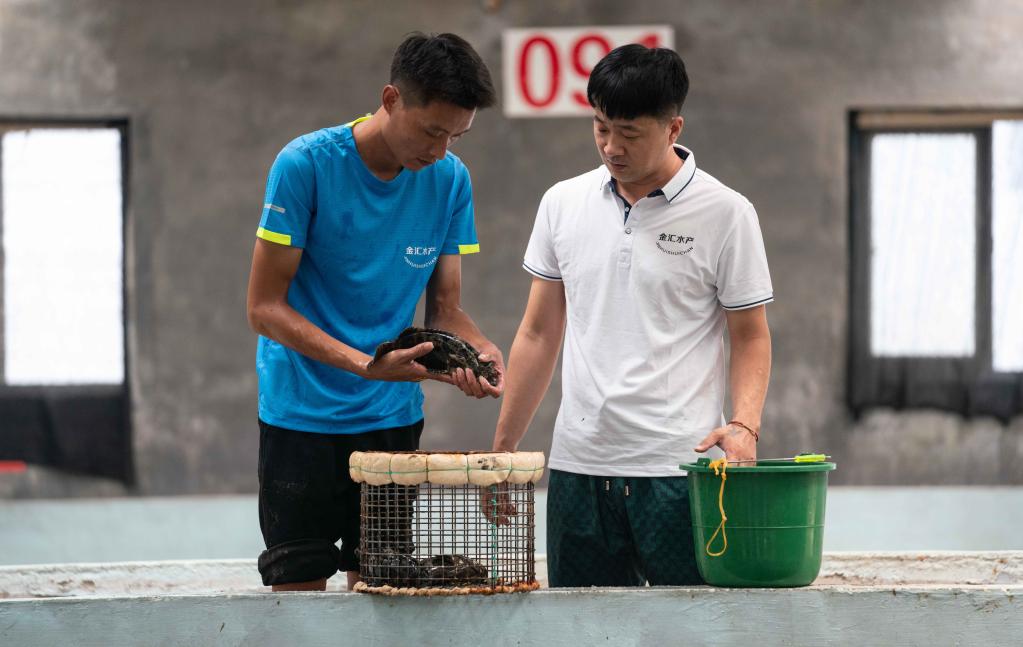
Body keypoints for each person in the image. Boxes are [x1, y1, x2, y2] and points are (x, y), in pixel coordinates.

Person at [488, 44, 773, 587]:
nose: (611, 147)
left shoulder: (727, 213)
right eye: (599, 128)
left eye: (629, 133)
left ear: (673, 127)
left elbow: (751, 335)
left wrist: (744, 427)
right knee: (580, 631)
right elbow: (539, 332)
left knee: (686, 628)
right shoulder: (561, 203)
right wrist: (503, 452)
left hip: (677, 470)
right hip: (579, 467)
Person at [246, 32, 503, 592]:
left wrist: (479, 349)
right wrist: (366, 364)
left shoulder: (450, 180)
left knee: (382, 589)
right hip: (301, 420)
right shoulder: (306, 165)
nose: (439, 151)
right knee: (299, 598)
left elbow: (446, 309)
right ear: (391, 100)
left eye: (455, 136)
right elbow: (263, 309)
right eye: (432, 131)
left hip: (391, 423)